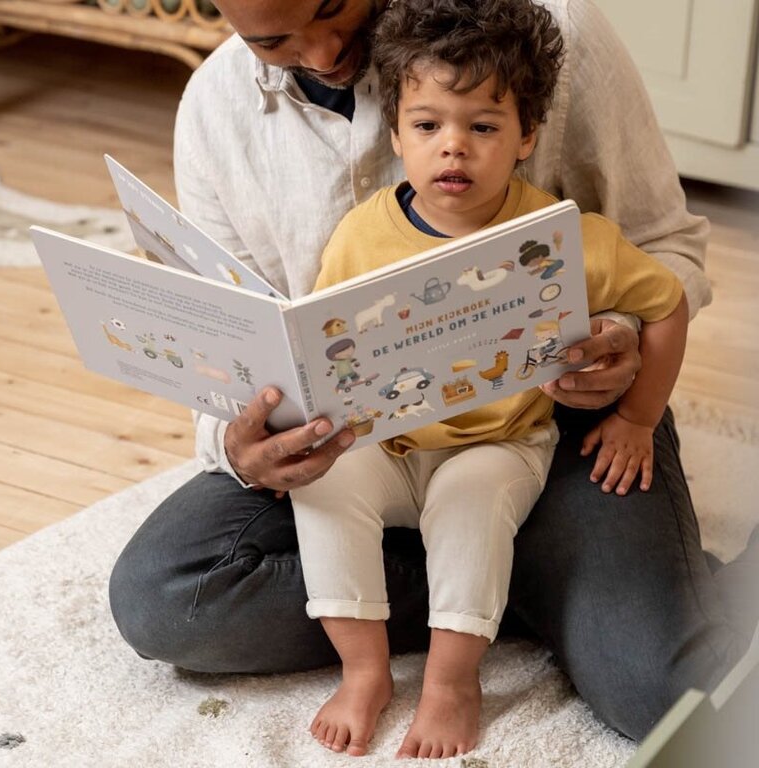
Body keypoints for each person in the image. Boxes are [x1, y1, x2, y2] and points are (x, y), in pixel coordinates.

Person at [108, 0, 758, 746]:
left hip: (547, 421)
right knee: (165, 598)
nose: (321, 55)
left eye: (330, 9)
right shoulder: (215, 111)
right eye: (274, 42)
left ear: (522, 133)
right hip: (367, 439)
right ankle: (509, 585)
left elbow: (663, 253)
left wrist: (624, 354)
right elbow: (232, 339)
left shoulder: (557, 31)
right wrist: (238, 444)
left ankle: (518, 586)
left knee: (673, 699)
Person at [288, 0, 689, 757]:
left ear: (526, 136)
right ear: (397, 134)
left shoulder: (565, 237)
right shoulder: (361, 232)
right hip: (386, 438)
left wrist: (638, 416)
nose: (454, 149)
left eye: (482, 126)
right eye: (428, 125)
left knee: (471, 510)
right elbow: (326, 342)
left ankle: (450, 682)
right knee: (323, 487)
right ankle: (364, 669)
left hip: (498, 442)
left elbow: (666, 304)